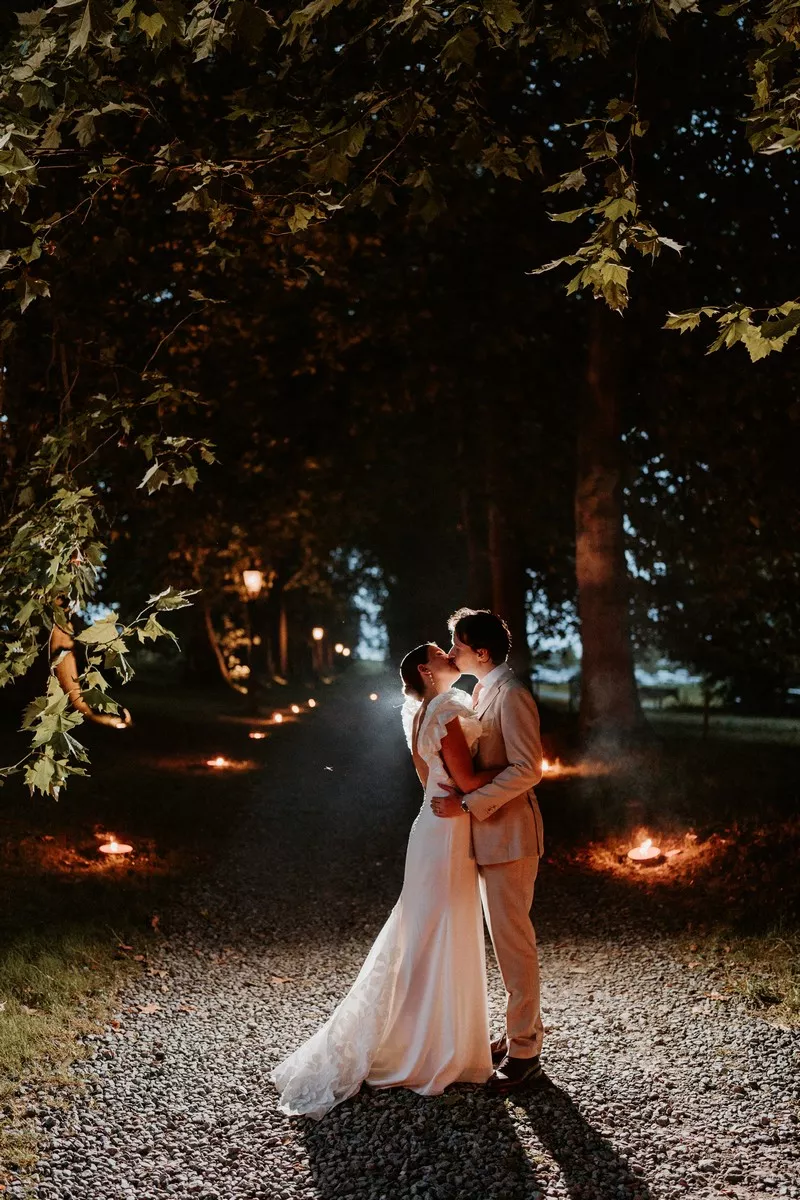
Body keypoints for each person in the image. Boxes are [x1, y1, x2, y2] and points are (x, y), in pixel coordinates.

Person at [271, 643, 501, 1120]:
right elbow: (466, 780)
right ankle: (433, 1046)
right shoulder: (442, 711)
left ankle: (433, 1037)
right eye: (442, 654)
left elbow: (430, 779)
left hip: (433, 826)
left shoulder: (421, 712)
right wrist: (519, 768)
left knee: (427, 933)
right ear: (426, 669)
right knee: (438, 933)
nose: (450, 657)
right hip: (446, 831)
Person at [431, 607, 544, 1094]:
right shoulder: (480, 691)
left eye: (456, 644)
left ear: (480, 651)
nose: (451, 652)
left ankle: (525, 1052)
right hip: (488, 836)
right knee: (502, 943)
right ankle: (517, 1034)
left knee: (514, 944)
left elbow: (528, 768)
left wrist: (469, 803)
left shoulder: (513, 696)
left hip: (512, 837)